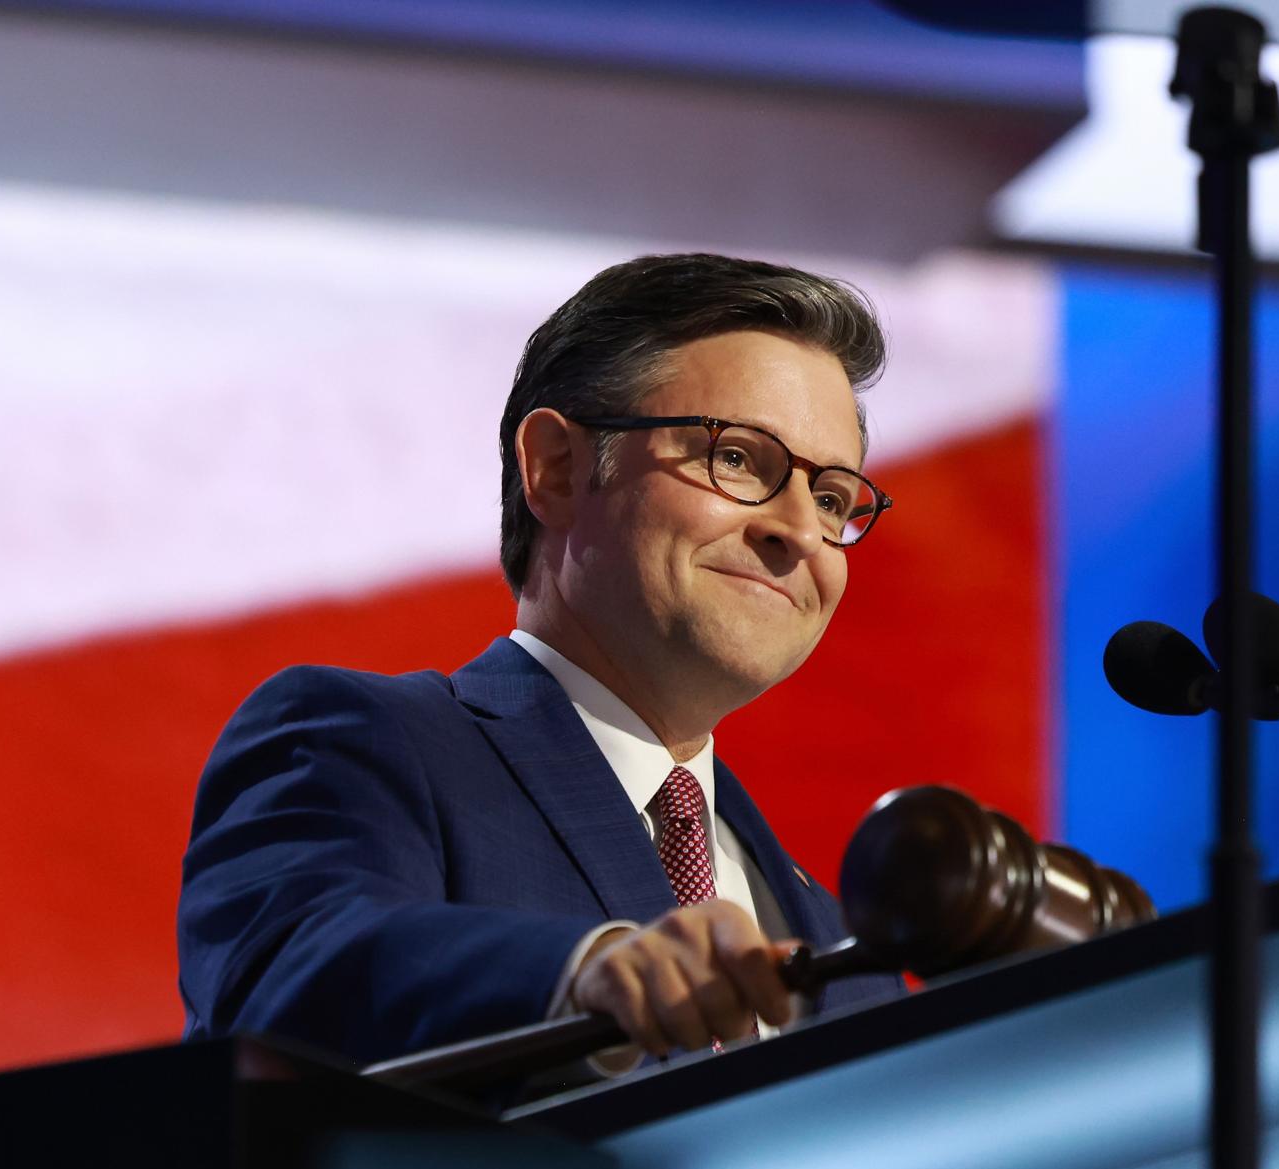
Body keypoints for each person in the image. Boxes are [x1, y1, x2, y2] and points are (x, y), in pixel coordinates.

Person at [177, 253, 909, 1071]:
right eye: (736, 458)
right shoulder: (367, 744)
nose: (801, 532)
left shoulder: (845, 951)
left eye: (833, 498)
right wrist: (582, 973)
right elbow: (283, 978)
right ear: (556, 470)